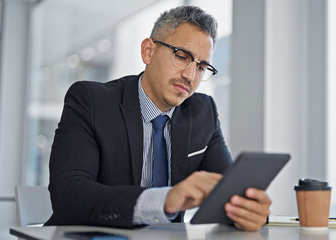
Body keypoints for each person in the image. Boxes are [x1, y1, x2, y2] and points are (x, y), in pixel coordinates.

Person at [45, 5, 271, 232]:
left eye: (201, 67)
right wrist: (164, 200)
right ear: (148, 51)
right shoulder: (91, 101)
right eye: (182, 56)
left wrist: (250, 211)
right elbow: (68, 195)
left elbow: (229, 195)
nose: (190, 76)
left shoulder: (204, 112)